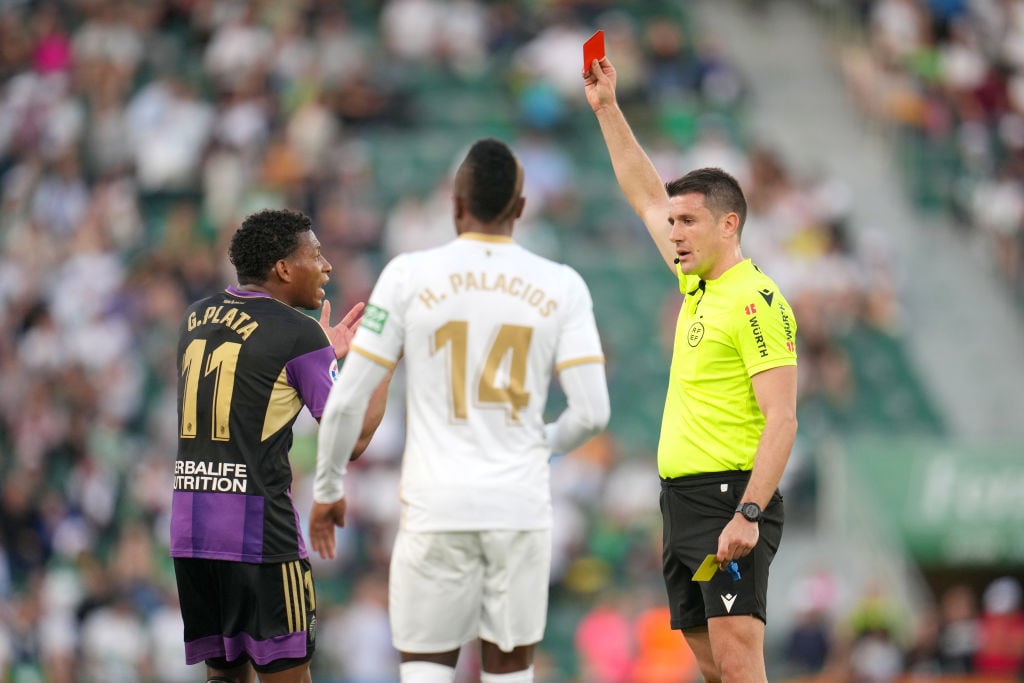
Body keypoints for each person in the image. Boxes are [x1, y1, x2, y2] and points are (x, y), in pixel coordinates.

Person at [310, 138, 610, 683]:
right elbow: (591, 413)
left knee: (426, 667)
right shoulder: (563, 286)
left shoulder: (406, 277)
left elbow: (348, 398)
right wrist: (536, 446)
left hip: (437, 504)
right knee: (508, 669)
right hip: (517, 504)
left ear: (454, 205)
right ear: (521, 208)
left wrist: (328, 488)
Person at [583, 56, 799, 683]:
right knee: (712, 668)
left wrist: (750, 513)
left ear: (729, 225)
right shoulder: (697, 284)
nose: (673, 231)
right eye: (674, 222)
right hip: (682, 502)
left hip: (729, 498)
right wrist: (607, 108)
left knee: (738, 664)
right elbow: (645, 194)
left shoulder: (755, 300)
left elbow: (782, 418)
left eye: (688, 221)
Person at [170, 208, 389, 683]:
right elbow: (352, 442)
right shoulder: (297, 334)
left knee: (224, 677)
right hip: (259, 537)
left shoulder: (196, 316)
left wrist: (320, 355)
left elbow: (253, 375)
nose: (327, 266)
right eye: (316, 254)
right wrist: (383, 363)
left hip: (192, 530)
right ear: (284, 269)